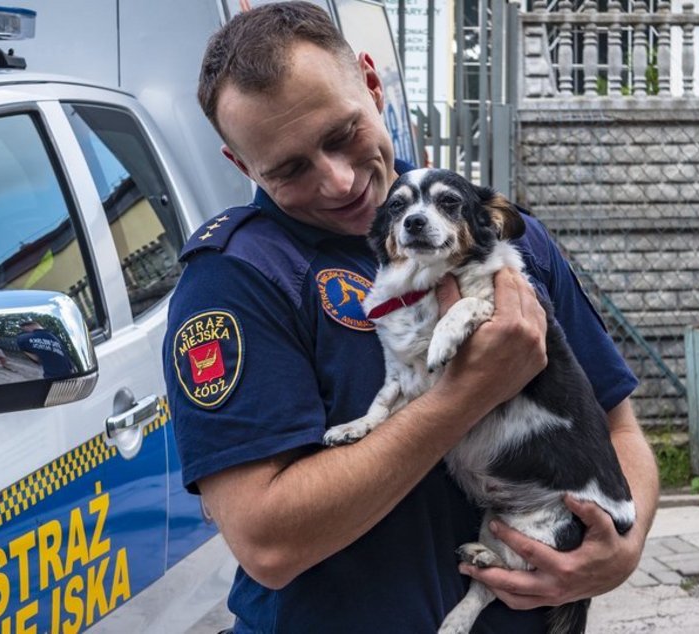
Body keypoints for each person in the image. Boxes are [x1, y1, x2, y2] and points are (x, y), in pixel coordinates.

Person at [162, 3, 659, 632]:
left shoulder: (504, 239)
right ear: (243, 166)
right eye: (290, 169)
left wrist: (621, 545)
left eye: (342, 135)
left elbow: (618, 428)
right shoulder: (236, 280)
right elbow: (268, 543)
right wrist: (467, 392)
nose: (339, 181)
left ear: (372, 84)